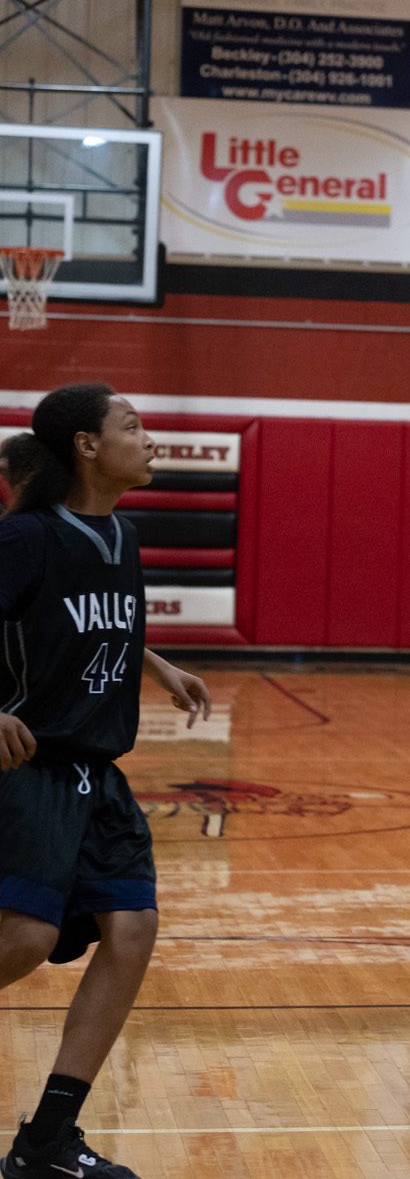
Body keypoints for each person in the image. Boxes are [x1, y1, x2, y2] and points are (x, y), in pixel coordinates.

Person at [0, 383, 213, 1179]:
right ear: (87, 445)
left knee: (132, 926)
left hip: (99, 773)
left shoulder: (120, 532)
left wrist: (155, 665)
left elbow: (85, 618)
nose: (148, 438)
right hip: (31, 768)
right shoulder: (26, 536)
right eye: (132, 425)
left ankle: (47, 1140)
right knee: (26, 937)